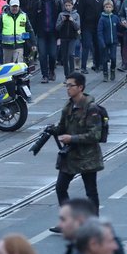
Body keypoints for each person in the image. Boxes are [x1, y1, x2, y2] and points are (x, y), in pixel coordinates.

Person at [50, 72, 105, 211]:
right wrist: (53, 130)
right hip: (70, 156)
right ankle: (68, 219)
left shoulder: (91, 108)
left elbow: (95, 135)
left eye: (71, 85)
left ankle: (94, 222)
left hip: (88, 157)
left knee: (91, 191)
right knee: (60, 188)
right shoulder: (68, 107)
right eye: (66, 85)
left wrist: (72, 138)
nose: (68, 88)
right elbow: (62, 128)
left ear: (80, 87)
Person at [0, 0, 34, 64]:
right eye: (13, 6)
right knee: (7, 66)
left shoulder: (24, 16)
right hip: (7, 46)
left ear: (19, 6)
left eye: (16, 6)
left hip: (19, 46)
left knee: (17, 66)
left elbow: (30, 30)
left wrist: (33, 43)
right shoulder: (3, 16)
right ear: (10, 6)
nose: (14, 8)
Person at [97, 0, 121, 82]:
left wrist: (124, 26)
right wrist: (102, 42)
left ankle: (112, 70)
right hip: (105, 42)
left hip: (113, 42)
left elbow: (119, 28)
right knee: (104, 59)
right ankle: (105, 73)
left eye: (109, 7)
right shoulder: (102, 19)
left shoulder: (115, 18)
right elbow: (99, 32)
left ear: (112, 8)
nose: (108, 9)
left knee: (113, 58)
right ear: (104, 8)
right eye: (106, 7)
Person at [56, 0, 81, 78]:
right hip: (63, 38)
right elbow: (57, 27)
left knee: (71, 54)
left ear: (72, 6)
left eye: (69, 5)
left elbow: (77, 27)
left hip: (72, 37)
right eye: (66, 5)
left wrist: (72, 20)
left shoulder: (76, 15)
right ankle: (67, 75)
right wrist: (62, 21)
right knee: (65, 57)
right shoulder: (61, 14)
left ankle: (72, 73)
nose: (68, 7)